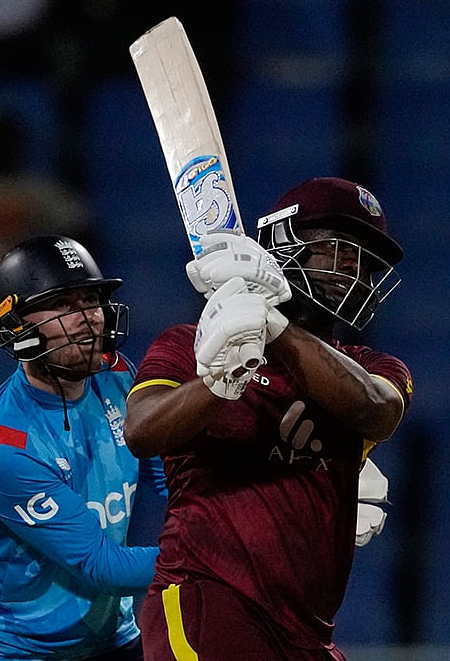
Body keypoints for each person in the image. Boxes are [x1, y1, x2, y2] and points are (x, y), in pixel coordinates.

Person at [124, 177, 413, 659]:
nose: (353, 265)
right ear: (282, 242)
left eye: (363, 256)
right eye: (336, 246)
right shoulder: (188, 345)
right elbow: (141, 431)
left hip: (308, 634)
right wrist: (218, 383)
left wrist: (271, 322)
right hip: (206, 602)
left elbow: (376, 411)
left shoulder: (373, 366)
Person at [0, 235, 165, 661]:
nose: (87, 319)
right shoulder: (1, 445)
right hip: (0, 649)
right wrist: (214, 553)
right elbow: (102, 566)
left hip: (108, 639)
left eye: (90, 300)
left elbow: (168, 475)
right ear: (17, 326)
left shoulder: (117, 377)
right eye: (62, 305)